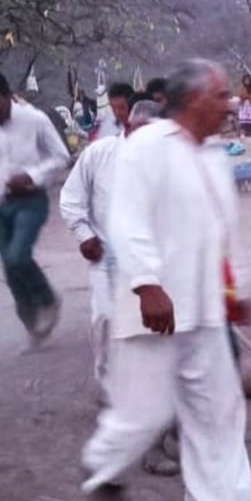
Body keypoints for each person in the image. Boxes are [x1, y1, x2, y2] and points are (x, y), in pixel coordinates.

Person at [80, 59, 251, 501]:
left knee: (220, 412)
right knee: (144, 413)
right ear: (194, 99)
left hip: (204, 309)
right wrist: (146, 284)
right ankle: (103, 466)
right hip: (154, 309)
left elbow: (225, 231)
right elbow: (126, 219)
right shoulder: (145, 148)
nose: (230, 105)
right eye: (221, 96)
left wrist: (237, 287)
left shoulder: (214, 156)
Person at [59, 100, 162, 390]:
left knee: (151, 329)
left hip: (151, 260)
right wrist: (84, 234)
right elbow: (70, 199)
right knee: (105, 319)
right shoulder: (98, 154)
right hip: (106, 256)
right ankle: (109, 387)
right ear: (129, 127)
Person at [0, 71, 71, 343]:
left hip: (30, 200)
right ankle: (30, 318)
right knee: (8, 266)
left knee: (17, 257)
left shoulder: (34, 119)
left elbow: (61, 156)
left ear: (6, 95)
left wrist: (31, 176)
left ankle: (47, 300)